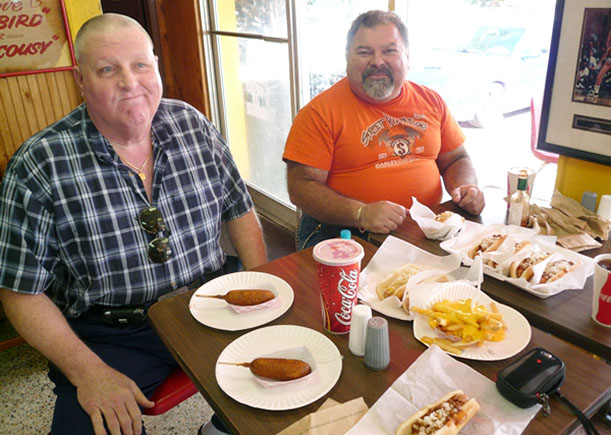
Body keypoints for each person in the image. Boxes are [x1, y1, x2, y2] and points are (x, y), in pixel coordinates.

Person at [0, 13, 266, 435]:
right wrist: (88, 372)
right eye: (108, 69)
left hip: (214, 305)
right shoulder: (40, 164)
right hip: (114, 337)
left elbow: (239, 209)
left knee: (299, 381)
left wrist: (259, 290)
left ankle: (221, 428)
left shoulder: (192, 125)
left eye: (140, 65)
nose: (130, 82)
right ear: (81, 79)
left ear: (156, 66)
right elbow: (19, 291)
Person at [283, 10, 485, 249]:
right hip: (346, 235)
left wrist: (465, 188)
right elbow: (301, 187)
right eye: (364, 52)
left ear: (407, 57)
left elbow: (456, 159)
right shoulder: (319, 113)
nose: (377, 61)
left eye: (389, 51)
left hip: (427, 231)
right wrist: (361, 213)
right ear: (347, 57)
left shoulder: (431, 100)